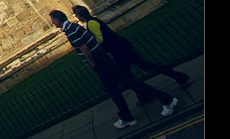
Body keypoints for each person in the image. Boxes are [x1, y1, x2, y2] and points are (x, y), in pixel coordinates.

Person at [49, 10, 178, 129]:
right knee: (114, 90)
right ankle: (127, 117)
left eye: (53, 20)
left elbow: (84, 48)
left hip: (100, 63)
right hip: (103, 60)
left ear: (58, 19)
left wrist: (93, 64)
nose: (52, 23)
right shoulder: (73, 27)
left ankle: (167, 100)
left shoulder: (71, 30)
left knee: (129, 83)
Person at [72, 5, 189, 95]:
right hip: (120, 48)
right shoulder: (93, 21)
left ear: (81, 15)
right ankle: (175, 78)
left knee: (131, 75)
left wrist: (94, 48)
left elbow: (100, 39)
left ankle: (151, 92)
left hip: (119, 50)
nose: (76, 17)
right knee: (138, 69)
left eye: (76, 15)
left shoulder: (92, 23)